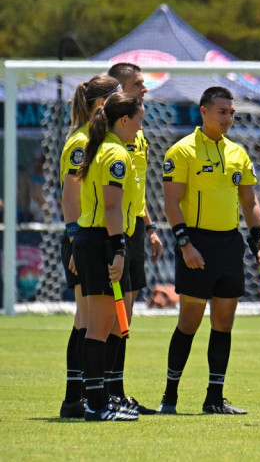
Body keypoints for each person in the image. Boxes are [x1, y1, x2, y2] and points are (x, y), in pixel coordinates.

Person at [157, 86, 260, 415]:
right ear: (203, 111)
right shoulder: (182, 151)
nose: (228, 118)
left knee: (224, 323)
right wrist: (185, 245)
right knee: (189, 321)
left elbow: (251, 202)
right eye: (222, 111)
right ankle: (170, 397)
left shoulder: (238, 153)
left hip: (229, 244)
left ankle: (214, 398)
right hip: (196, 244)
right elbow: (171, 203)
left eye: (232, 113)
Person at [72, 91, 145, 421]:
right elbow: (112, 206)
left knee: (116, 322)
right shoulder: (114, 153)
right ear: (125, 120)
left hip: (105, 239)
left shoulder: (110, 149)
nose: (141, 126)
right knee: (99, 326)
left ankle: (104, 398)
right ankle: (96, 404)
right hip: (103, 240)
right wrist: (118, 250)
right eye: (139, 119)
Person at [58, 74, 121, 418]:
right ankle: (74, 399)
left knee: (87, 321)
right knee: (85, 321)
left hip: (86, 239)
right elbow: (70, 196)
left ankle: (77, 398)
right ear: (102, 104)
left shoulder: (97, 139)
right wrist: (75, 243)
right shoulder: (81, 142)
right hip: (82, 239)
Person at [104, 62, 163, 414]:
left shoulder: (137, 134)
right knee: (105, 317)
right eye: (137, 83)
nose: (144, 88)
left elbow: (136, 191)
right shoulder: (105, 138)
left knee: (125, 315)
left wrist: (151, 226)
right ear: (119, 88)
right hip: (111, 231)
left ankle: (117, 391)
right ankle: (97, 392)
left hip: (135, 228)